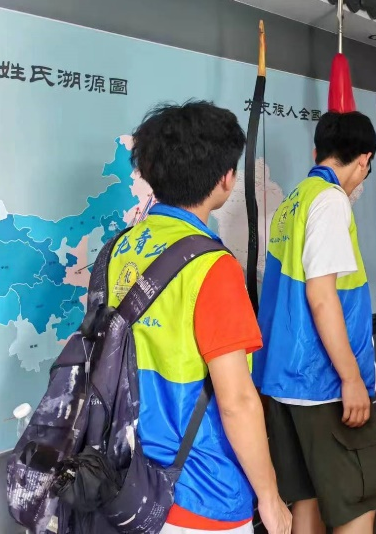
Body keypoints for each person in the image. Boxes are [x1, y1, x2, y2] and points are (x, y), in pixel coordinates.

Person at [127, 101, 292, 534]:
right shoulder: (212, 266)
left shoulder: (118, 250)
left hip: (126, 481)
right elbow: (236, 401)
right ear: (226, 178)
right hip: (199, 491)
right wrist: (270, 497)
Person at [253, 111, 376, 534]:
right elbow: (322, 295)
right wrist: (351, 378)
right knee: (357, 504)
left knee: (305, 500)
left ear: (317, 153)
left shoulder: (294, 199)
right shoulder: (330, 201)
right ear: (364, 160)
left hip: (284, 382)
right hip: (323, 385)